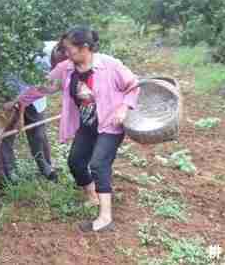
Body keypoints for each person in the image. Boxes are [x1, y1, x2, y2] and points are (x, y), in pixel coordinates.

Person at [8, 26, 140, 233]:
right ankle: (92, 196)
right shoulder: (66, 68)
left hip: (110, 124)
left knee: (98, 164)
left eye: (69, 49)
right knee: (76, 162)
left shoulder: (110, 65)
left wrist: (124, 107)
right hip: (87, 124)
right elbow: (43, 87)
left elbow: (134, 85)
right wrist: (18, 101)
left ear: (84, 47)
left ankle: (106, 217)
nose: (66, 53)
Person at [0, 41, 66, 184]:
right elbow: (30, 89)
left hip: (33, 96)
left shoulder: (71, 54)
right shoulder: (37, 56)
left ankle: (46, 169)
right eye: (60, 61)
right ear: (57, 52)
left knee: (39, 134)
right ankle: (10, 175)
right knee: (7, 133)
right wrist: (19, 116)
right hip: (13, 88)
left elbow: (42, 90)